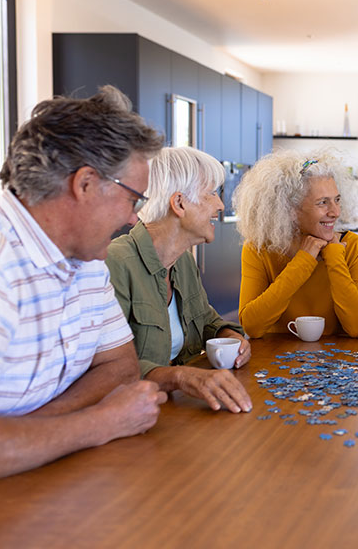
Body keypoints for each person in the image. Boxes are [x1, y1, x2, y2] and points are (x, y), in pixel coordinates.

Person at [0, 86, 167, 479]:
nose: (133, 219)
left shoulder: (86, 259)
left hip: (55, 483)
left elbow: (121, 366)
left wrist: (31, 433)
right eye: (133, 199)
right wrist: (99, 422)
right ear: (85, 184)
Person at [106, 147, 252, 413]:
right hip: (136, 417)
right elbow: (108, 370)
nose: (220, 205)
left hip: (179, 410)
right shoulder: (116, 263)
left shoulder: (183, 261)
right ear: (179, 203)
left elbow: (207, 320)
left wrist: (229, 335)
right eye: (211, 194)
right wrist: (181, 377)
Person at [234, 149, 358, 338]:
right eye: (323, 202)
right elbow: (252, 327)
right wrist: (303, 261)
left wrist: (334, 256)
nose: (335, 212)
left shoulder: (354, 246)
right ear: (290, 210)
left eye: (337, 200)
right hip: (274, 359)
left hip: (336, 361)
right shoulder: (258, 248)